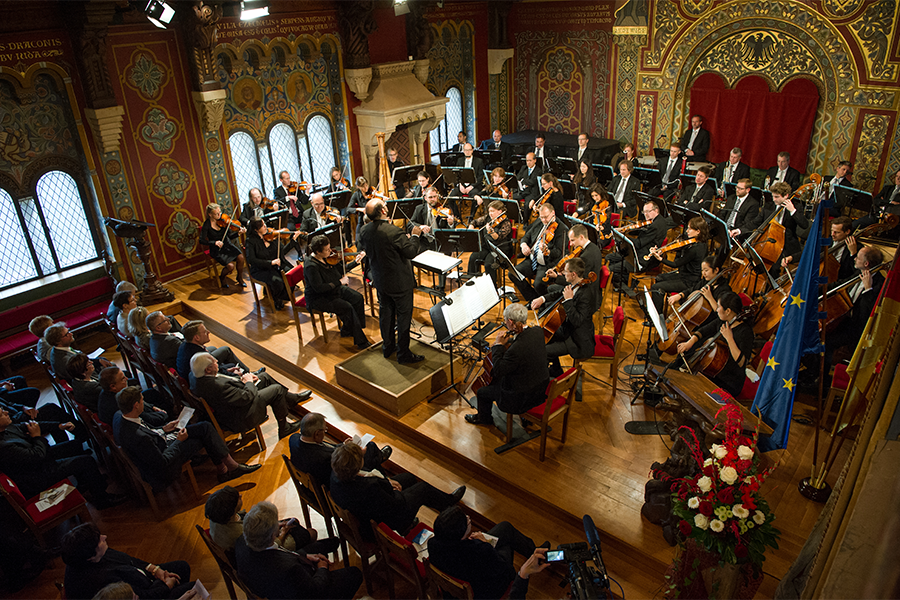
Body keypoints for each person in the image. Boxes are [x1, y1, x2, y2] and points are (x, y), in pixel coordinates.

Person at [114, 386, 259, 487]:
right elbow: (162, 462)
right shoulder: (138, 437)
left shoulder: (122, 416)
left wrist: (163, 429)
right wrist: (178, 441)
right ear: (135, 405)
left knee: (204, 427)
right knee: (205, 433)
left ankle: (225, 469)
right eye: (141, 400)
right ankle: (228, 468)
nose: (143, 403)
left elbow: (149, 431)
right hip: (165, 466)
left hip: (162, 441)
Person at [329, 441, 465, 541]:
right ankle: (449, 504)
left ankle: (412, 523)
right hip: (386, 520)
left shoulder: (335, 476)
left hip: (366, 510)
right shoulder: (370, 487)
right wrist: (394, 489)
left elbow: (364, 480)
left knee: (409, 478)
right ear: (357, 465)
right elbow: (396, 503)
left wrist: (387, 481)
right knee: (423, 489)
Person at [0, 407, 126, 508]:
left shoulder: (7, 427)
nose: (6, 412)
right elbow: (37, 456)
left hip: (38, 461)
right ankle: (102, 500)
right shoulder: (4, 446)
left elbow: (31, 425)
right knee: (86, 461)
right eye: (1, 414)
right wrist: (37, 437)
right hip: (36, 476)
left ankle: (86, 481)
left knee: (75, 445)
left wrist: (59, 426)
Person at [235, 501, 363, 600]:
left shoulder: (241, 542)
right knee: (354, 573)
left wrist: (305, 556)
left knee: (322, 547)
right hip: (303, 590)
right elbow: (315, 591)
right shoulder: (289, 570)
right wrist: (322, 568)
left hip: (277, 579)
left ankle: (334, 542)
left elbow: (276, 552)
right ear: (273, 534)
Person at [357, 199, 424, 364]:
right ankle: (403, 354)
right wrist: (415, 236)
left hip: (380, 280)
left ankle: (388, 347)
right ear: (384, 211)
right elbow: (410, 252)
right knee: (403, 318)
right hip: (400, 282)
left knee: (386, 315)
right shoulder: (393, 231)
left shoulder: (364, 230)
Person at [429, 505, 539, 600]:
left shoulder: (433, 544)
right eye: (466, 521)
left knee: (505, 528)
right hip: (486, 592)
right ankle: (537, 556)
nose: (468, 518)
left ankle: (534, 551)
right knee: (506, 543)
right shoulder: (481, 550)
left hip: (457, 584)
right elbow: (506, 571)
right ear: (461, 533)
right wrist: (486, 543)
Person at [466, 303, 549, 425]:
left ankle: (484, 419)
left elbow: (498, 370)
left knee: (482, 392)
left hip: (521, 399)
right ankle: (525, 419)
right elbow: (522, 344)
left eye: (505, 321)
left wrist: (498, 345)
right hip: (540, 389)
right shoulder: (537, 331)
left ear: (510, 321)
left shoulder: (516, 350)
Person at [62, 523, 193, 600]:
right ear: (90, 556)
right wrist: (166, 585)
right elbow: (143, 597)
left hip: (139, 579)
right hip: (143, 593)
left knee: (181, 567)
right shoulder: (100, 582)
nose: (104, 537)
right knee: (192, 588)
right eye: (100, 540)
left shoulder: (90, 553)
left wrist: (154, 569)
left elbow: (129, 559)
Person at [190, 352, 304, 439]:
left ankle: (291, 399)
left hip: (231, 406)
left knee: (263, 377)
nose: (216, 361)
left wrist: (239, 378)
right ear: (208, 369)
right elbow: (246, 397)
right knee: (276, 390)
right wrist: (248, 381)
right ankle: (284, 428)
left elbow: (225, 385)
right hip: (241, 415)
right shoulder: (219, 386)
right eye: (214, 361)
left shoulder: (194, 377)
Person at [205, 486, 337, 556]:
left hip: (255, 544)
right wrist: (283, 532)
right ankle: (307, 553)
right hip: (265, 552)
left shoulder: (217, 516)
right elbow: (266, 546)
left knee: (294, 522)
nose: (240, 495)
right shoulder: (240, 533)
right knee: (311, 533)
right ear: (231, 510)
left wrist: (277, 525)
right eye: (237, 499)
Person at [675, 291, 754, 398]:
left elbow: (742, 362)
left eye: (718, 307)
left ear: (728, 311)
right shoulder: (723, 321)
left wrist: (729, 338)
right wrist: (689, 342)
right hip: (713, 372)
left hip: (728, 381)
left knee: (691, 386)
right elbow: (703, 331)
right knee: (681, 362)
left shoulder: (745, 332)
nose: (716, 310)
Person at [823, 246, 885, 378]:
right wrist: (817, 288)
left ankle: (821, 377)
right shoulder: (859, 272)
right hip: (842, 319)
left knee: (826, 341)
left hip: (855, 328)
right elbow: (839, 284)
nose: (854, 258)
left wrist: (868, 290)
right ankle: (813, 372)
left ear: (866, 264)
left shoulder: (879, 284)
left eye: (858, 257)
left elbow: (868, 315)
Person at [530, 258, 598, 378]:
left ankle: (541, 380)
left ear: (573, 274)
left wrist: (569, 301)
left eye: (565, 272)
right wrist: (542, 299)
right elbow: (558, 293)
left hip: (577, 339)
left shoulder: (586, 294)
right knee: (543, 336)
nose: (562, 274)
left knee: (543, 352)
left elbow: (577, 321)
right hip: (568, 329)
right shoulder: (575, 284)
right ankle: (555, 370)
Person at [289, 412, 392, 490]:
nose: (325, 433)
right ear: (316, 434)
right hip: (335, 483)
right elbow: (345, 464)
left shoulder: (293, 439)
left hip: (312, 481)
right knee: (370, 447)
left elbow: (329, 448)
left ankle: (379, 460)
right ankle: (382, 470)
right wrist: (355, 452)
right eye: (324, 430)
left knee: (370, 449)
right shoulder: (324, 458)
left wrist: (343, 445)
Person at [304, 235, 371, 349]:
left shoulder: (328, 257)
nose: (330, 251)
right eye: (327, 250)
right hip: (318, 298)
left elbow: (341, 269)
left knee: (357, 298)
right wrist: (339, 282)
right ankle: (361, 341)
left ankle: (349, 329)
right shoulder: (311, 266)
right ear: (317, 252)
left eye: (329, 248)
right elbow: (319, 288)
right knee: (346, 307)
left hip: (333, 290)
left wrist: (355, 261)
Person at [647, 217, 709, 313]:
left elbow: (675, 264)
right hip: (683, 275)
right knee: (659, 278)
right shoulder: (698, 243)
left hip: (688, 281)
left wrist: (660, 258)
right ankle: (660, 306)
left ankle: (658, 316)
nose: (687, 231)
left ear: (698, 231)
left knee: (656, 287)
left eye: (690, 229)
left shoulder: (695, 249)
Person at [752, 181, 809, 274]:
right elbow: (755, 222)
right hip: (768, 243)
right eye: (773, 196)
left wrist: (792, 211)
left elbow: (804, 225)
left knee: (774, 269)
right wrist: (739, 230)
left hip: (786, 246)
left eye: (777, 197)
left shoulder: (796, 206)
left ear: (786, 196)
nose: (774, 199)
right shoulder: (769, 206)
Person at [607, 200, 669, 285]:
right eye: (644, 212)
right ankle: (623, 280)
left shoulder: (656, 226)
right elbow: (641, 231)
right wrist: (625, 230)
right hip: (641, 251)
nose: (646, 214)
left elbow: (639, 243)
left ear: (656, 211)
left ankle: (628, 282)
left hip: (644, 258)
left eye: (648, 211)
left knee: (611, 268)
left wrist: (623, 238)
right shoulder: (656, 220)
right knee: (609, 257)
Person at [513, 204, 568, 299]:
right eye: (541, 217)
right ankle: (532, 297)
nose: (543, 220)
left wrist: (548, 251)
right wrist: (524, 245)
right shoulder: (539, 222)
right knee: (513, 273)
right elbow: (526, 236)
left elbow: (559, 253)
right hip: (532, 259)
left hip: (546, 264)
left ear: (553, 213)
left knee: (538, 284)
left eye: (546, 217)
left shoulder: (562, 230)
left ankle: (544, 301)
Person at [175, 319, 252, 381]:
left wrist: (227, 370)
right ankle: (248, 374)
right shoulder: (200, 356)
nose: (209, 332)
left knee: (216, 350)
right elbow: (215, 374)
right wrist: (235, 375)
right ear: (197, 338)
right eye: (205, 332)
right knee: (226, 351)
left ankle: (245, 371)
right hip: (202, 380)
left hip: (191, 378)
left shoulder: (185, 344)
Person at [542, 224, 603, 297]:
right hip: (591, 289)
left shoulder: (585, 257)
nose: (570, 244)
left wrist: (557, 277)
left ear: (581, 237)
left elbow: (575, 282)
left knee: (551, 288)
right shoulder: (594, 247)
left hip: (584, 293)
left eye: (572, 240)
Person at [97, 366, 171, 426]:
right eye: (123, 379)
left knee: (151, 393)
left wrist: (153, 407)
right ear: (113, 386)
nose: (127, 379)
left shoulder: (107, 391)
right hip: (140, 424)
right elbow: (147, 419)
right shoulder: (122, 402)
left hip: (142, 412)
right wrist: (163, 414)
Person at [199, 203, 247, 289]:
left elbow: (229, 236)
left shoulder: (223, 222)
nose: (219, 215)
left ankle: (239, 278)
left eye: (220, 212)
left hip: (227, 246)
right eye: (216, 214)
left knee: (241, 257)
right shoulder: (207, 225)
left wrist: (238, 233)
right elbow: (201, 240)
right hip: (216, 250)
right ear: (210, 215)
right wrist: (214, 242)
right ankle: (222, 278)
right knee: (230, 266)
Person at [468, 200, 513, 286]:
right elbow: (474, 222)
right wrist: (471, 227)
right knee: (473, 257)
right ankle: (472, 283)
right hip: (487, 246)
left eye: (492, 211)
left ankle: (492, 287)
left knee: (489, 264)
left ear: (500, 211)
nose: (490, 214)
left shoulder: (506, 223)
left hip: (500, 249)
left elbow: (498, 237)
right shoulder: (488, 218)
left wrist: (491, 231)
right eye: (489, 211)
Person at [46, 322, 113, 381]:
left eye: (69, 331)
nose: (71, 334)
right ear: (58, 341)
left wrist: (98, 361)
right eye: (67, 334)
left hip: (88, 371)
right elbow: (84, 376)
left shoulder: (58, 349)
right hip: (91, 379)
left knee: (105, 361)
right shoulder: (66, 360)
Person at [410, 186, 456, 252]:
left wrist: (450, 224)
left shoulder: (443, 209)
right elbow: (410, 223)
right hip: (424, 241)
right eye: (430, 197)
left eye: (435, 197)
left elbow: (449, 231)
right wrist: (420, 226)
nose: (433, 199)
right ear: (425, 198)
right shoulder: (419, 209)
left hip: (439, 241)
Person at [453, 143, 485, 211]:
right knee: (450, 198)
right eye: (466, 150)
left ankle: (471, 217)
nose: (467, 152)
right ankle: (457, 216)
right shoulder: (460, 160)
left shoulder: (479, 161)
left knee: (475, 197)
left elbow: (480, 177)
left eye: (469, 150)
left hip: (473, 186)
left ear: (472, 150)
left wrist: (471, 187)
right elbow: (456, 175)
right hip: (462, 185)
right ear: (463, 151)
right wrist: (460, 185)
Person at [828, 216, 858, 283]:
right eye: (832, 231)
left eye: (837, 232)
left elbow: (855, 271)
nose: (832, 234)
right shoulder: (827, 241)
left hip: (839, 281)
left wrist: (853, 253)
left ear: (847, 231)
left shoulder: (856, 247)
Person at [344, 176, 374, 244]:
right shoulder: (356, 195)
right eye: (363, 187)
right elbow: (348, 209)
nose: (366, 188)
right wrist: (359, 209)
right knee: (358, 241)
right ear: (358, 186)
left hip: (373, 219)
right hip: (362, 220)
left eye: (366, 185)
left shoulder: (372, 192)